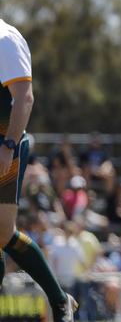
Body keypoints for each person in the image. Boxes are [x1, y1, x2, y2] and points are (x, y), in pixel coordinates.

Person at [0, 18, 77, 320]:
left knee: (1, 233)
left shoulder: (4, 39)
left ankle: (59, 301)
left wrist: (8, 145)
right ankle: (60, 300)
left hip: (5, 144)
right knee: (2, 235)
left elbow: (24, 97)